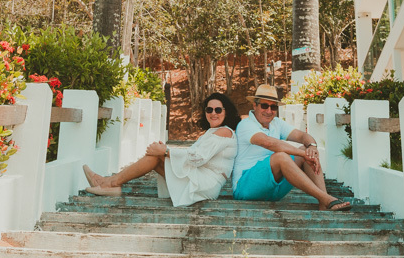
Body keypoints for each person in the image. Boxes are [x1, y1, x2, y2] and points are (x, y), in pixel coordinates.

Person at [83, 92, 240, 206]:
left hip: (206, 184)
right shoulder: (213, 132)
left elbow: (198, 158)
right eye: (209, 110)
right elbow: (193, 155)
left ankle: (109, 183)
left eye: (218, 110)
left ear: (226, 112)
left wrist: (165, 151)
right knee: (157, 158)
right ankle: (111, 184)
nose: (213, 113)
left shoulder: (225, 132)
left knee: (157, 157)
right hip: (200, 179)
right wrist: (164, 152)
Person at [231, 83, 351, 211]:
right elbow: (269, 143)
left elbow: (302, 136)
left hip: (272, 190)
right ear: (254, 105)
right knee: (281, 157)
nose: (269, 111)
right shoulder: (246, 125)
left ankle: (323, 204)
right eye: (264, 106)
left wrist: (312, 147)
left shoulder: (276, 123)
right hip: (245, 188)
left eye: (273, 107)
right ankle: (327, 199)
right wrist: (302, 154)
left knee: (306, 150)